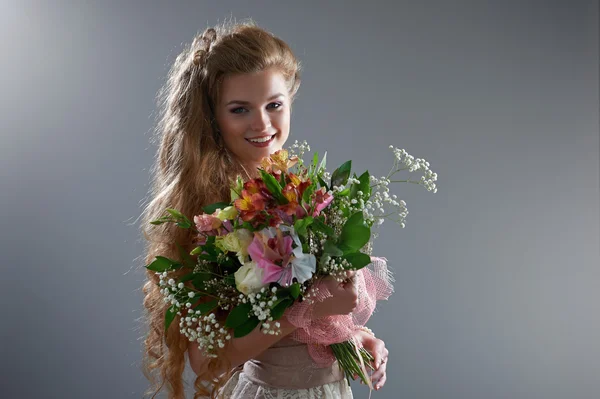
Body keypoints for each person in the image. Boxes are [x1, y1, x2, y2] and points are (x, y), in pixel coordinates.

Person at [140, 20, 389, 399]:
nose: (262, 123)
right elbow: (208, 362)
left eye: (274, 104)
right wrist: (302, 309)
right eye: (240, 109)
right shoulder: (209, 218)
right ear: (213, 119)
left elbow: (312, 325)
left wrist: (355, 338)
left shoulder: (302, 193)